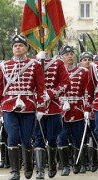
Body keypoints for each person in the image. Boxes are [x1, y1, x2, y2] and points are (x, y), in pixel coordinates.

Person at [0, 35, 46, 180]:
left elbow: (41, 88)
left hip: (28, 105)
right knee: (12, 136)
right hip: (9, 106)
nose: (18, 48)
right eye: (15, 46)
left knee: (27, 139)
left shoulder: (34, 65)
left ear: (26, 48)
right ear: (12, 48)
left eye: (21, 45)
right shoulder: (4, 66)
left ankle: (28, 165)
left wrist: (41, 107)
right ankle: (15, 171)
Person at [32, 51, 70, 178]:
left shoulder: (57, 63)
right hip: (36, 106)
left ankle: (52, 164)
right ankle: (40, 169)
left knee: (53, 137)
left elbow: (66, 83)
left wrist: (52, 93)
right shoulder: (31, 63)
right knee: (38, 138)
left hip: (53, 107)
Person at [57, 45, 89, 176]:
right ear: (62, 57)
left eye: (71, 53)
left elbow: (87, 91)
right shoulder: (57, 72)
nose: (69, 56)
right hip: (61, 111)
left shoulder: (82, 72)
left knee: (78, 138)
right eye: (66, 54)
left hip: (77, 109)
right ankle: (65, 166)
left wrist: (87, 108)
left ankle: (79, 163)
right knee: (61, 138)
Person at [84, 51, 98, 172]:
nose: (87, 61)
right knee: (96, 132)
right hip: (96, 104)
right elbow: (90, 88)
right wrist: (87, 108)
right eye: (85, 59)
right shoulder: (94, 67)